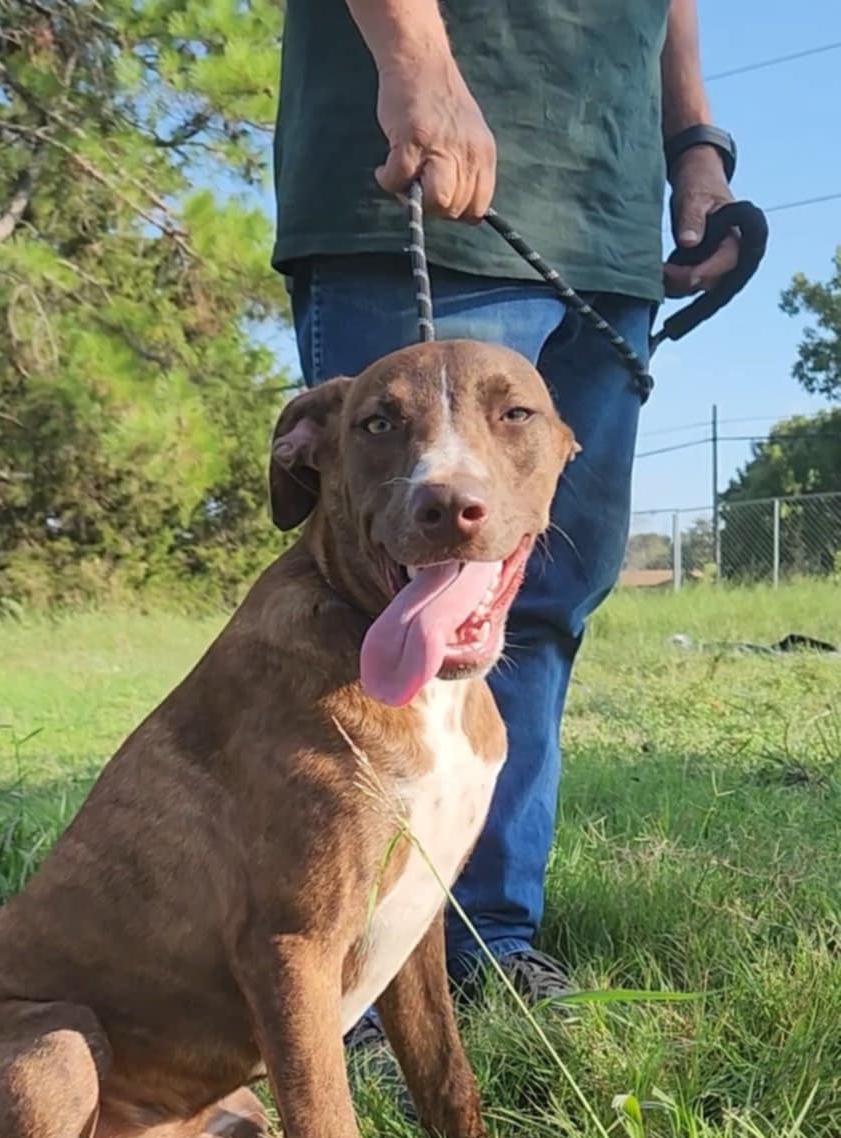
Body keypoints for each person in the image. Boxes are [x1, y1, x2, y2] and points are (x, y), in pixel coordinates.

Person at [274, 0, 740, 1009]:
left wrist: (695, 154)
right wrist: (419, 60)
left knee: (532, 600)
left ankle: (489, 939)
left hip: (606, 228)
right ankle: (339, 969)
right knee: (374, 584)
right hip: (419, 171)